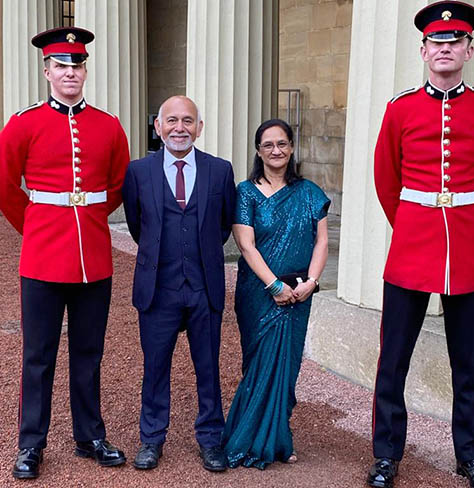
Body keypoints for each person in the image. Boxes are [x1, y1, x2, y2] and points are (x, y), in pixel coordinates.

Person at [0, 27, 130, 479]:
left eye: (76, 66)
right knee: (38, 356)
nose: (69, 73)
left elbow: (115, 188)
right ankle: (30, 444)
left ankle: (89, 434)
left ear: (85, 71)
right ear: (47, 71)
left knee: (89, 352)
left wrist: (89, 220)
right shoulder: (23, 123)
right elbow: (5, 186)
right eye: (61, 66)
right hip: (42, 257)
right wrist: (35, 226)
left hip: (93, 255)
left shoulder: (109, 125)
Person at [368, 2, 474, 487]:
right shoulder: (400, 108)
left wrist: (459, 213)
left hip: (466, 251)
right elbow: (385, 177)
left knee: (468, 361)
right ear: (423, 50)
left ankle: (472, 456)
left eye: (454, 41)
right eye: (437, 42)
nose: (445, 48)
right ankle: (385, 454)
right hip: (411, 248)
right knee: (393, 357)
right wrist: (415, 224)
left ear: (468, 49)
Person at [122, 95, 236, 472]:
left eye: (188, 121)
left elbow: (222, 226)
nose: (179, 128)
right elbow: (139, 226)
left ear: (199, 128)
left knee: (208, 367)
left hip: (204, 287)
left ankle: (210, 439)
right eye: (171, 120)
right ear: (158, 126)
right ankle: (151, 439)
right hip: (158, 288)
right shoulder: (139, 171)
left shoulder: (220, 170)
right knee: (155, 367)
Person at [222, 119, 329, 469]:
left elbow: (322, 241)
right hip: (259, 291)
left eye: (282, 143)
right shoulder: (246, 192)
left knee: (287, 367)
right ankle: (246, 438)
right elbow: (246, 245)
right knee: (259, 364)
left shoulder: (311, 192)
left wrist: (311, 282)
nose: (276, 150)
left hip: (300, 291)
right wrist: (274, 285)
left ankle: (278, 439)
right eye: (268, 145)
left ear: (292, 147)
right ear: (258, 151)